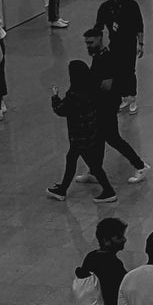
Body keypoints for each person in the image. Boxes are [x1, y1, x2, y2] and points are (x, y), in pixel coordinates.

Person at [48, 60, 117, 201]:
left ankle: (109, 191)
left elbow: (61, 110)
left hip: (79, 136)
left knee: (93, 165)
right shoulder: (90, 88)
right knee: (72, 159)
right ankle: (62, 190)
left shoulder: (74, 94)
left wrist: (55, 97)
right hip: (90, 132)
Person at [92, 0, 144, 113]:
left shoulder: (131, 5)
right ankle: (123, 96)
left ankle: (132, 97)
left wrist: (140, 44)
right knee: (117, 71)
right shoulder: (105, 7)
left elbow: (139, 25)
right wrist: (97, 44)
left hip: (129, 43)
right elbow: (99, 26)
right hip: (114, 43)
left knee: (129, 70)